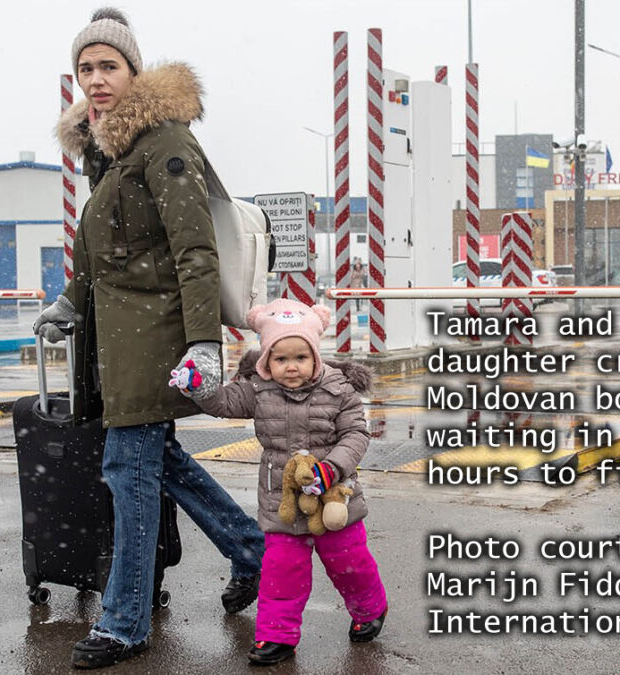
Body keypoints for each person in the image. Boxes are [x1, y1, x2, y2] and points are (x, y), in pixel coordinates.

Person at [34, 8, 264, 669]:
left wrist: (203, 344)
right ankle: (251, 549)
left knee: (127, 471)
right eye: (85, 69)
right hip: (116, 340)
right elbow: (100, 256)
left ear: (134, 70)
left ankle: (126, 620)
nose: (97, 79)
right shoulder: (107, 151)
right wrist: (67, 302)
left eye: (109, 66)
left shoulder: (164, 142)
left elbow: (195, 252)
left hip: (157, 337)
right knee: (158, 462)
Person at [170, 298, 388, 666]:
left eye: (300, 357)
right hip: (281, 500)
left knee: (348, 562)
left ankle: (370, 609)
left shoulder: (339, 389)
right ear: (266, 360)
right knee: (281, 571)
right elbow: (221, 403)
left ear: (315, 356)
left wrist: (331, 468)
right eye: (281, 358)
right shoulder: (258, 389)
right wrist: (198, 387)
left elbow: (355, 435)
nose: (291, 367)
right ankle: (276, 636)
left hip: (335, 496)